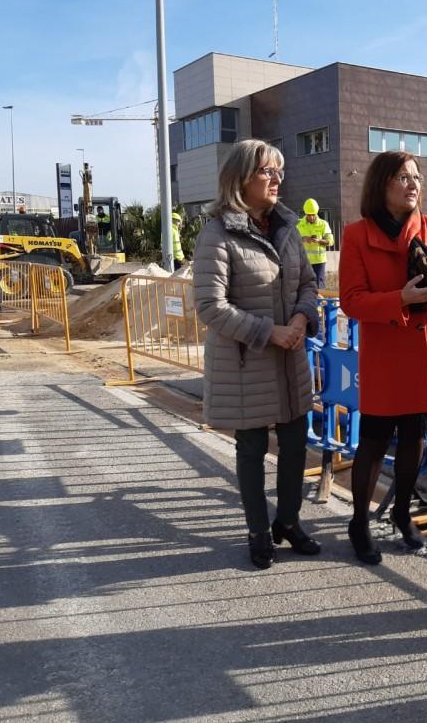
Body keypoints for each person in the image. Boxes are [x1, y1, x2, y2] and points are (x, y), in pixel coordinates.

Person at [193, 139, 323, 570]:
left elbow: (308, 282)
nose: (276, 180)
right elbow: (211, 306)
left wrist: (303, 319)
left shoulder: (286, 226)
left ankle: (287, 521)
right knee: (250, 450)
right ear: (242, 178)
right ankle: (257, 531)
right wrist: (272, 332)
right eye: (268, 171)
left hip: (289, 358)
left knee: (294, 442)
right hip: (247, 361)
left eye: (279, 172)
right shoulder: (217, 234)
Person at [339, 151, 427, 565]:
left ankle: (401, 512)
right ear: (381, 185)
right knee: (373, 442)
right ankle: (359, 521)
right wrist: (402, 298)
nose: (413, 184)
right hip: (386, 356)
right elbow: (352, 301)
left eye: (416, 176)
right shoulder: (356, 235)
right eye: (402, 177)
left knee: (415, 438)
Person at [297, 198, 334, 289]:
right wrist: (303, 239)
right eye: (309, 215)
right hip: (304, 261)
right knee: (305, 286)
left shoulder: (323, 224)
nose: (311, 217)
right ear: (305, 213)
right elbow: (292, 241)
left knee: (319, 286)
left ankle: (320, 303)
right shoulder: (299, 225)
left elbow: (331, 241)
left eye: (313, 215)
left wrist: (319, 241)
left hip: (319, 262)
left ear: (316, 213)